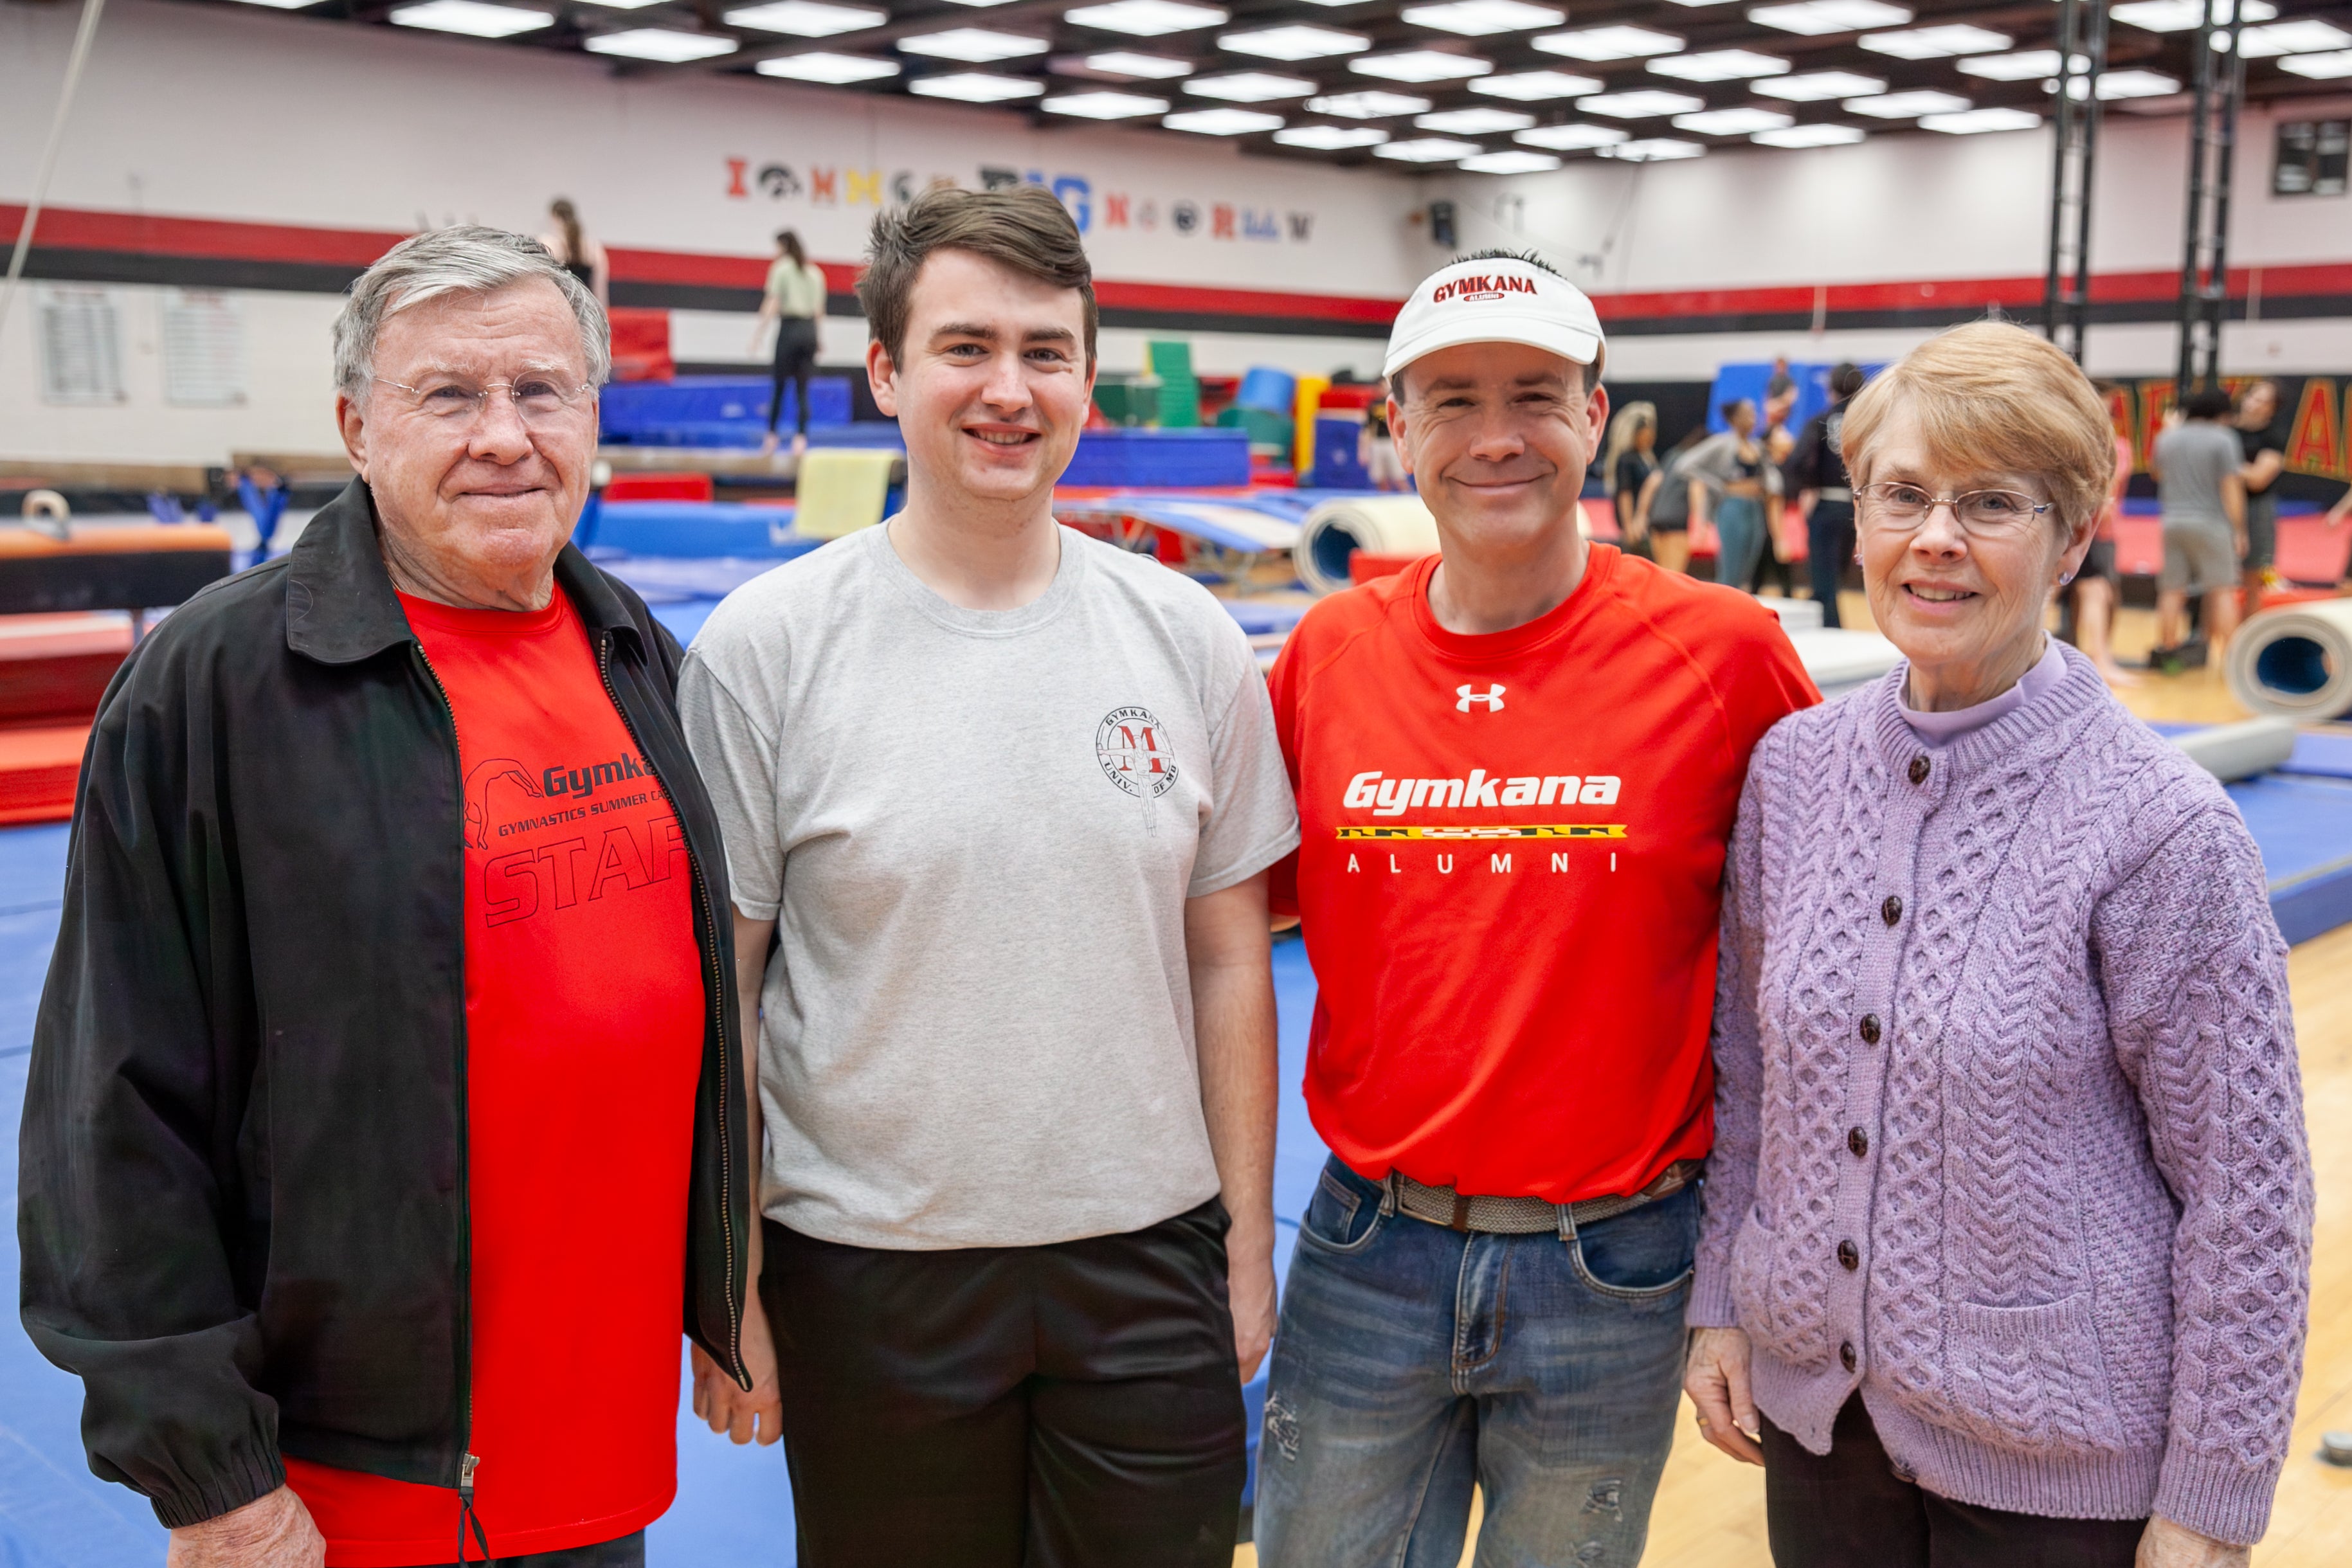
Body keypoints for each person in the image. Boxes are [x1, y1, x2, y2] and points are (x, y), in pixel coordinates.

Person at [17, 228, 757, 1567]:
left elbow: (683, 1010)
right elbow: (112, 1107)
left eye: (540, 391)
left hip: (597, 1442)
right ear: (358, 425)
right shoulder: (218, 687)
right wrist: (213, 1476)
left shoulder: (627, 641)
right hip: (352, 1472)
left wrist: (725, 1289)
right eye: (449, 395)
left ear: (592, 414)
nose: (504, 436)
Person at [678, 184, 1298, 1568]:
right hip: (868, 1269)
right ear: (886, 371)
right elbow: (720, 992)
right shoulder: (767, 648)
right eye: (965, 348)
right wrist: (728, 1280)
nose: (1007, 390)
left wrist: (1245, 1244)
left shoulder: (1185, 637)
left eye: (1044, 350)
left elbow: (1224, 959)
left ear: (1086, 372)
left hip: (1146, 1260)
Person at [1685, 321, 2313, 1568]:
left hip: (2057, 1458)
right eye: (1902, 494)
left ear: (2074, 536)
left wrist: (2211, 1494)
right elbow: (1749, 1080)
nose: (1933, 536)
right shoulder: (1792, 774)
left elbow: (2247, 1195)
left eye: (1987, 502)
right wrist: (1720, 1302)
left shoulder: (2155, 825)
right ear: (1854, 516)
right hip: (1821, 1424)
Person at [1251, 250, 1817, 1567]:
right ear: (1394, 428)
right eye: (1449, 400)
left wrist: (1745, 1272)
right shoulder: (1325, 657)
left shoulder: (1723, 653)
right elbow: (1230, 930)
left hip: (1614, 1264)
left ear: (1596, 416)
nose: (1493, 436)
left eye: (1532, 394)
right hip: (1364, 1242)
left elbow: (1811, 975)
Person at [2149, 386, 2247, 667]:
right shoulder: (2224, 439)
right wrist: (2239, 528)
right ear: (2221, 413)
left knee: (2171, 590)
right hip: (2212, 523)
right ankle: (2233, 660)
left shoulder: (2167, 437)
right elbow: (2231, 487)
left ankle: (2167, 654)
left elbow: (2157, 473)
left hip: (2172, 521)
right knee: (2222, 590)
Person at [1788, 362, 1865, 627]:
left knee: (1823, 578)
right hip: (1856, 508)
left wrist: (1806, 487)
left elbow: (1798, 461)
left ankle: (1830, 629)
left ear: (1831, 388)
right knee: (1837, 576)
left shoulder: (1820, 421)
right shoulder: (1869, 424)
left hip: (1825, 505)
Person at [2073, 384, 2139, 685]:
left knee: (2100, 591)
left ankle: (2099, 657)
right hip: (2079, 524)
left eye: (2109, 409)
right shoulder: (2076, 440)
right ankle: (2099, 659)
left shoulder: (2114, 445)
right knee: (2092, 592)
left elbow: (2112, 486)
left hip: (2096, 528)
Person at [752, 228, 827, 458]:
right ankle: (800, 439)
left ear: (784, 246)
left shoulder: (782, 269)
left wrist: (758, 334)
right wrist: (819, 338)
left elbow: (772, 302)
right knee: (803, 389)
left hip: (791, 329)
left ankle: (772, 437)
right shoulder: (815, 273)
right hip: (808, 332)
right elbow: (818, 312)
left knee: (780, 386)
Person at [1687, 399, 1769, 591]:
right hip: (1733, 507)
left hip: (1755, 507)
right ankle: (1723, 608)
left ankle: (1739, 606)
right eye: (1748, 414)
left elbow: (1769, 477)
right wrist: (1722, 486)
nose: (1753, 418)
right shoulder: (1722, 444)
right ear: (1734, 419)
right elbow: (1687, 466)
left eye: (1754, 413)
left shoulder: (1757, 446)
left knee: (1748, 567)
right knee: (1731, 565)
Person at [2236, 378, 2287, 612]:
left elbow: (2258, 479)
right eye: (2254, 397)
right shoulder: (2226, 430)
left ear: (2272, 409)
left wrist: (2226, 466)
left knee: (2252, 578)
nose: (2255, 404)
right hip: (2221, 507)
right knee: (2216, 579)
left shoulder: (2273, 437)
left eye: (2264, 402)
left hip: (2256, 510)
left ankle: (2247, 636)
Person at [1644, 424, 1706, 575]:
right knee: (1674, 576)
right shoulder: (1696, 460)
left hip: (1656, 518)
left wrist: (1642, 514)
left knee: (1662, 574)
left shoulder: (1673, 454)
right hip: (1677, 521)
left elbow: (1653, 481)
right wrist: (1700, 523)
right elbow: (1696, 488)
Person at [1606, 399, 1661, 555]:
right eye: (1647, 432)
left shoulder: (1646, 458)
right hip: (1636, 525)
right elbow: (1625, 492)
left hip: (1649, 523)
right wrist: (1629, 526)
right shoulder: (1627, 459)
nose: (1651, 436)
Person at [540, 197, 608, 308]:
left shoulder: (548, 243)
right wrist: (603, 318)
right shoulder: (594, 247)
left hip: (561, 307)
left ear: (554, 217)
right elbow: (600, 290)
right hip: (586, 309)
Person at [1362, 374, 1406, 491]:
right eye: (1379, 386)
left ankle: (1408, 497)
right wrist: (1364, 451)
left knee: (1398, 477)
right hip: (1378, 442)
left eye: (1384, 386)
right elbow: (1367, 428)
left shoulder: (1397, 402)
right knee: (1379, 478)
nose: (1382, 389)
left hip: (1392, 442)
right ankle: (1384, 498)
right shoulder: (1373, 405)